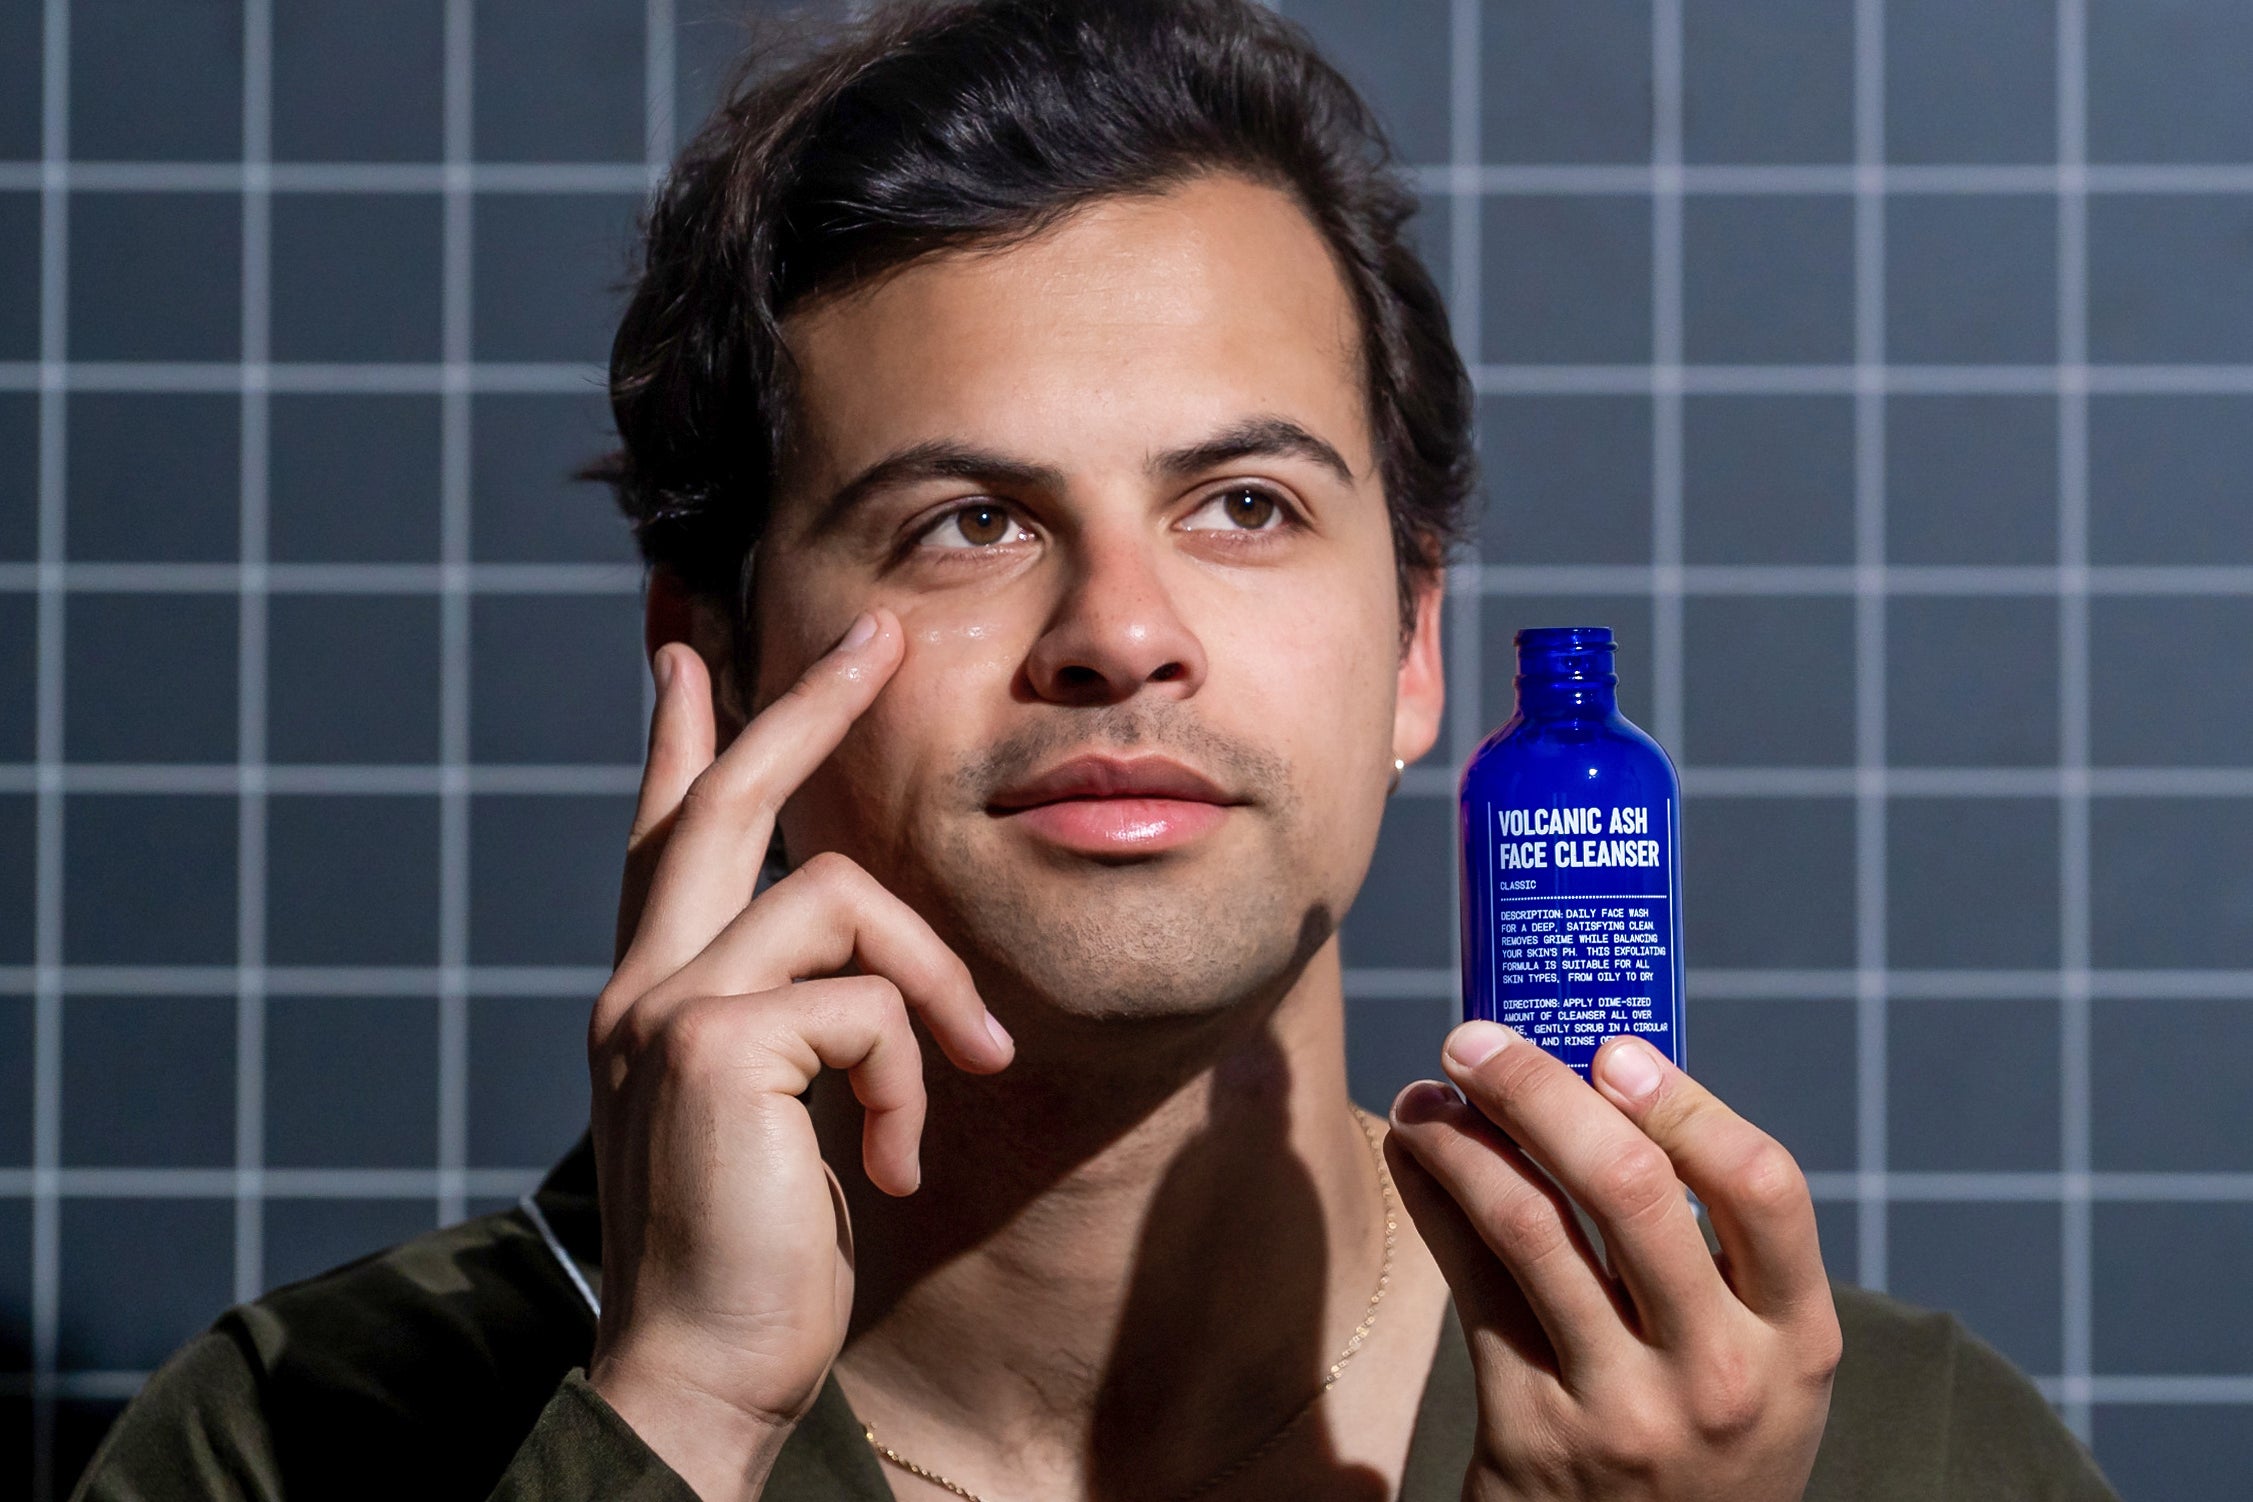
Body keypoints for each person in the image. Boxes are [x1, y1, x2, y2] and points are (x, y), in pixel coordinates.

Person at [78, 2, 2116, 1499]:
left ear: (1414, 649)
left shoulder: (1886, 1452)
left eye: (1240, 506)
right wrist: (678, 1416)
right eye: (963, 520)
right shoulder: (301, 1441)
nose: (1120, 631)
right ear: (708, 662)